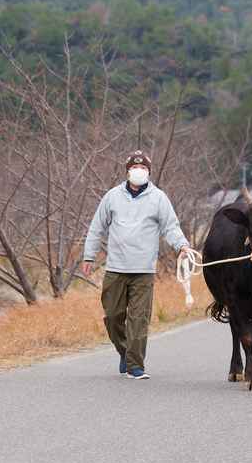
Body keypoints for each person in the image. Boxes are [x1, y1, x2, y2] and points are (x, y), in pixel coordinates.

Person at [81, 151, 191, 380]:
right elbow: (96, 227)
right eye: (134, 168)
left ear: (148, 172)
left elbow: (170, 226)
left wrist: (182, 245)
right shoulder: (112, 196)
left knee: (138, 320)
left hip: (143, 270)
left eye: (143, 169)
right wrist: (88, 256)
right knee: (112, 316)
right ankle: (125, 352)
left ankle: (135, 365)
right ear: (127, 171)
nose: (138, 171)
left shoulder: (158, 198)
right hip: (116, 268)